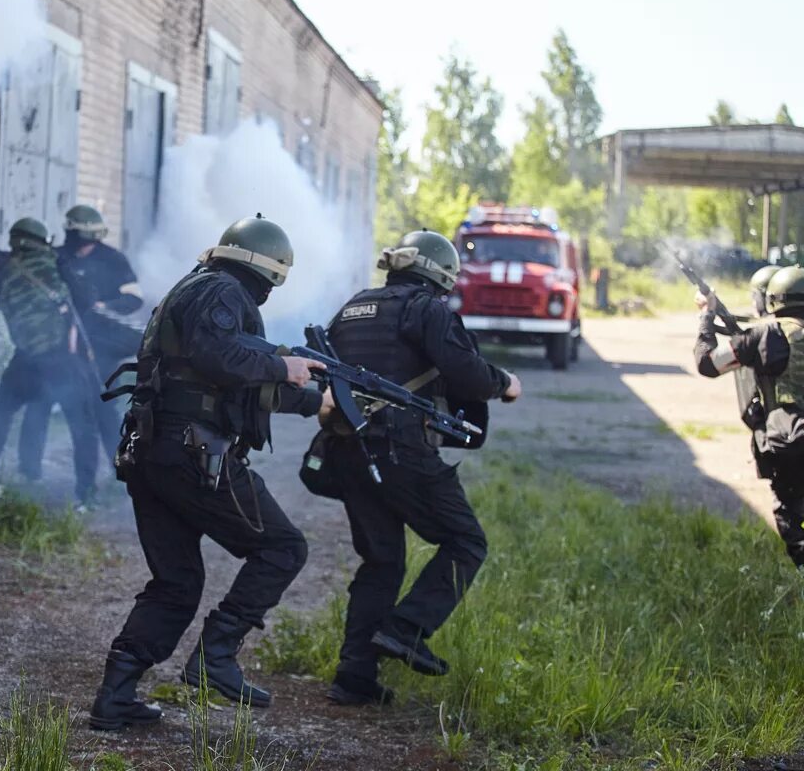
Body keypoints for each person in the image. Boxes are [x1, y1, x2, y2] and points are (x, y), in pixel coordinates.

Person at [89, 214, 326, 730]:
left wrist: (313, 402)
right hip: (190, 453)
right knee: (283, 547)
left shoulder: (196, 289)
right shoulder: (221, 290)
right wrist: (284, 366)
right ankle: (214, 657)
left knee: (176, 581)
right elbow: (220, 357)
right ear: (266, 271)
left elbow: (229, 380)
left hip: (154, 453)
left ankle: (115, 698)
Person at [321, 229, 522, 706]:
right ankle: (405, 629)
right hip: (401, 448)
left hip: (348, 451)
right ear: (440, 276)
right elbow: (467, 372)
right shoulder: (425, 309)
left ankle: (354, 675)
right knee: (465, 541)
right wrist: (506, 383)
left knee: (382, 561)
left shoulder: (353, 307)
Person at [0, 218, 100, 504]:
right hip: (63, 359)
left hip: (25, 359)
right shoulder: (58, 264)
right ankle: (86, 493)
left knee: (1, 410)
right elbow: (86, 299)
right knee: (82, 427)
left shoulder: (3, 267)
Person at [18, 205, 144, 482]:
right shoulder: (57, 257)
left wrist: (103, 306)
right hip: (59, 349)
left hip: (102, 348)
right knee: (39, 403)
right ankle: (29, 476)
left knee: (102, 409)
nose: (85, 247)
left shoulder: (114, 260)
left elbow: (134, 298)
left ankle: (120, 471)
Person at [695, 264, 804, 568]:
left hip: (791, 444)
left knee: (792, 516)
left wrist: (706, 317)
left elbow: (707, 363)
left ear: (774, 300)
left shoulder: (766, 334)